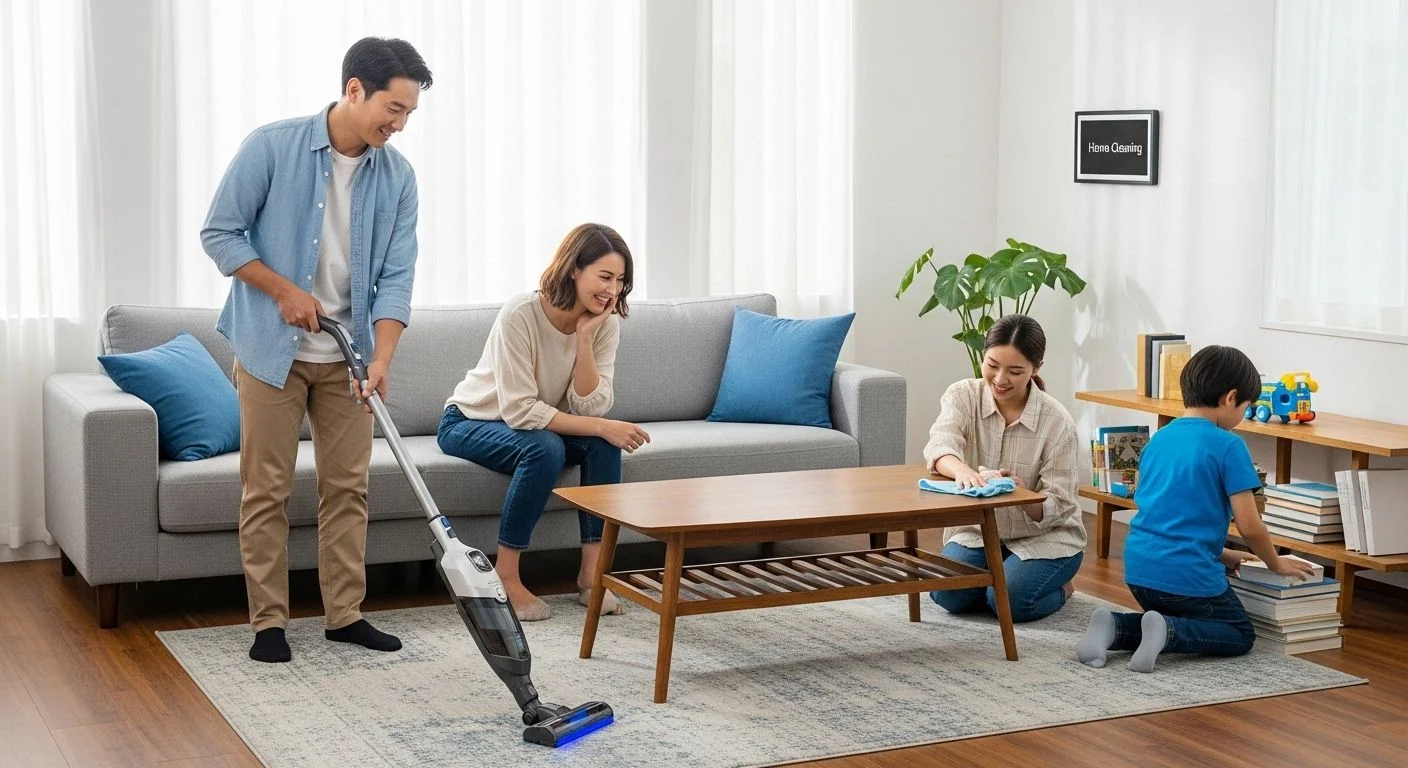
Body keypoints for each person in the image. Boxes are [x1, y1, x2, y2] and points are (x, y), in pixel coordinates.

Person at [201, 37, 432, 663]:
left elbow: (397, 279)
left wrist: (381, 358)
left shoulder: (399, 177)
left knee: (349, 488)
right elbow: (218, 233)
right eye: (394, 107)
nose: (400, 123)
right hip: (271, 349)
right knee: (267, 488)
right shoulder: (272, 146)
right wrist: (280, 290)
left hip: (348, 357)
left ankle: (344, 615)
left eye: (410, 113)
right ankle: (268, 623)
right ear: (353, 88)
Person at [438, 223, 650, 621]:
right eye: (604, 276)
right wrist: (604, 427)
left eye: (620, 280)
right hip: (469, 421)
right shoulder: (521, 314)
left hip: (533, 425)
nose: (612, 289)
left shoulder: (604, 323)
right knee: (546, 447)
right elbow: (519, 410)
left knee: (602, 444)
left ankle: (592, 576)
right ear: (574, 269)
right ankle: (506, 576)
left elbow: (591, 408)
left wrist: (585, 338)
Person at [1077, 345, 1315, 672]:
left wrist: (1224, 554)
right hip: (1185, 577)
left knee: (1174, 611)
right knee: (1238, 632)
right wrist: (1275, 563)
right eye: (1246, 408)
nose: (1242, 418)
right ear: (1231, 398)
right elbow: (1250, 526)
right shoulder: (1229, 446)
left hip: (1140, 572)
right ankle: (1168, 632)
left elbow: (1169, 517)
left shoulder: (1159, 439)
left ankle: (1114, 626)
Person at [923, 314, 1084, 623]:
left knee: (1010, 603)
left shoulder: (1058, 423)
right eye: (992, 365)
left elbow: (1061, 505)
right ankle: (998, 580)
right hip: (977, 532)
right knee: (946, 593)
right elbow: (939, 446)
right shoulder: (963, 396)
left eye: (1015, 371)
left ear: (1036, 369)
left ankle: (1063, 587)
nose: (999, 379)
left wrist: (1020, 495)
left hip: (1045, 538)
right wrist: (963, 472)